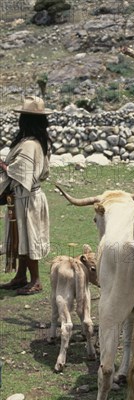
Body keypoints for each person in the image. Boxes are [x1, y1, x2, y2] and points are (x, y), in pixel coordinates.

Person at [0, 96, 52, 295]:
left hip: (27, 199)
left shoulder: (29, 144)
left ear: (26, 120)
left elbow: (22, 173)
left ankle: (36, 280)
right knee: (20, 237)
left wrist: (3, 165)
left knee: (29, 238)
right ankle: (21, 277)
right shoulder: (35, 141)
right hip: (23, 198)